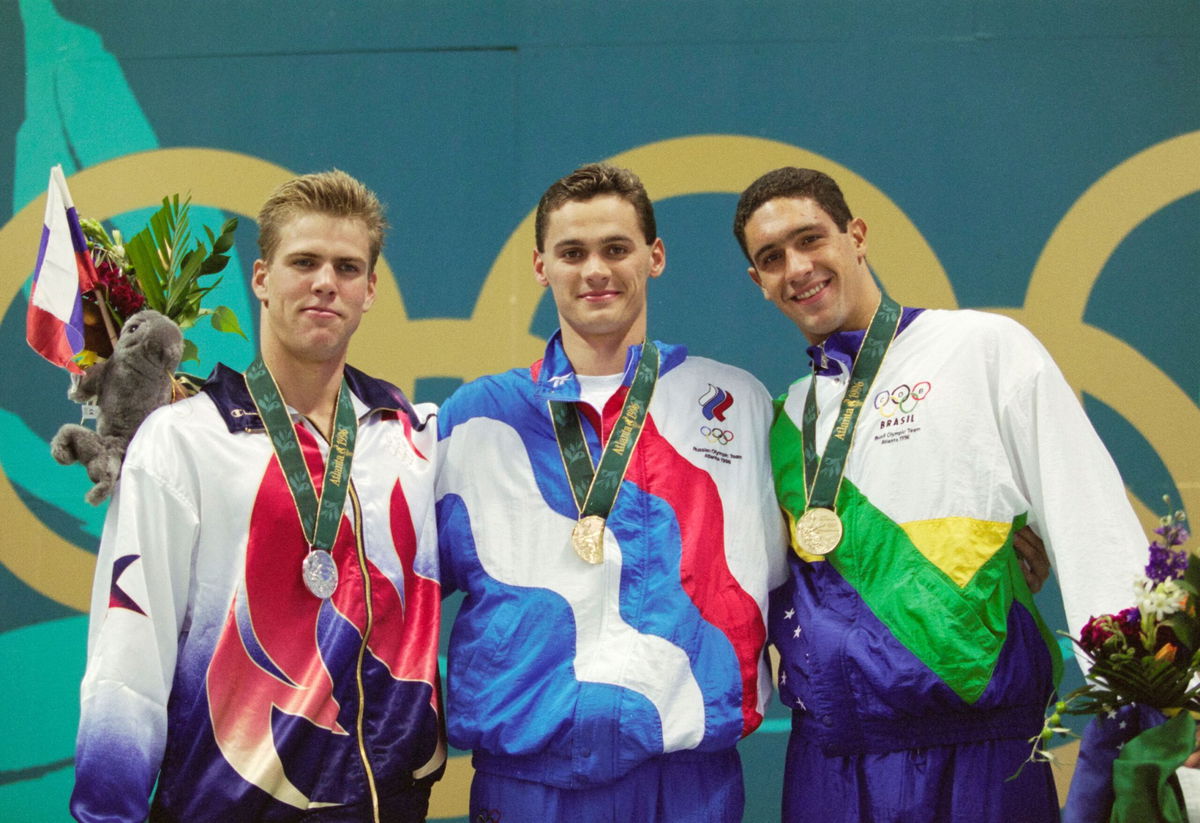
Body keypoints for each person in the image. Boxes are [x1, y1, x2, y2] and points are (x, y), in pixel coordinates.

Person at [732, 166, 1145, 822]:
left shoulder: (982, 349)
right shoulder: (785, 420)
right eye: (772, 257)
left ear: (857, 235)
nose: (798, 266)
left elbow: (1090, 521)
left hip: (980, 753)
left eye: (812, 239)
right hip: (830, 764)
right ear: (759, 282)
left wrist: (1155, 700)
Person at [71, 170, 445, 822]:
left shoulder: (409, 437)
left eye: (347, 266)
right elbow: (125, 670)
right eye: (304, 262)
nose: (326, 280)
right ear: (262, 278)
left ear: (370, 289)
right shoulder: (182, 442)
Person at [435, 163, 787, 821]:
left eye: (615, 248)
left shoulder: (736, 402)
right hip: (531, 785)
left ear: (654, 256)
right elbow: (395, 583)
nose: (594, 269)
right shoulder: (478, 417)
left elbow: (799, 564)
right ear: (541, 266)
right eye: (572, 252)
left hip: (690, 781)